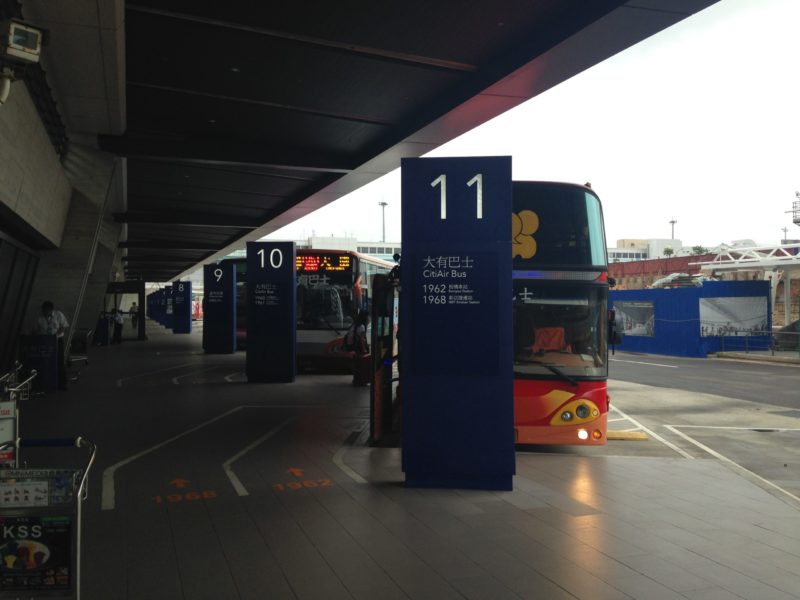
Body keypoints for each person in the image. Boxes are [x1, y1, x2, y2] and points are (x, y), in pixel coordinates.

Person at [33, 300, 69, 390]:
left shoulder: (58, 315)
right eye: (43, 310)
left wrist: (56, 335)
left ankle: (62, 384)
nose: (45, 312)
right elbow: (36, 330)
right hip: (45, 341)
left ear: (51, 310)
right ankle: (47, 382)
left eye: (46, 310)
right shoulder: (39, 318)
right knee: (46, 362)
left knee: (59, 361)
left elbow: (63, 327)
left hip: (57, 341)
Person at [345, 310, 370, 386]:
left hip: (353, 347)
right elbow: (362, 339)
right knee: (361, 365)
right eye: (368, 316)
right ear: (365, 317)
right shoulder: (361, 326)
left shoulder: (354, 325)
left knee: (357, 365)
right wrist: (365, 349)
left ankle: (356, 380)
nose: (369, 318)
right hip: (358, 349)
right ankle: (361, 381)